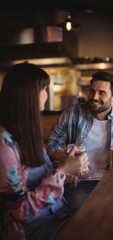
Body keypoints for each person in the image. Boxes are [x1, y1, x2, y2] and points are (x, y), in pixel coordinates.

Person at [0, 62, 89, 240]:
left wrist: (66, 168)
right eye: (45, 89)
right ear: (30, 95)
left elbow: (34, 173)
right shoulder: (4, 145)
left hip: (57, 214)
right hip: (33, 229)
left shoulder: (24, 132)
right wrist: (62, 171)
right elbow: (20, 212)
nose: (47, 95)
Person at [46, 70, 113, 208]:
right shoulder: (72, 113)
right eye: (92, 91)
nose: (94, 97)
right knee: (76, 214)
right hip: (79, 183)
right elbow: (52, 143)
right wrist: (68, 161)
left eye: (102, 93)